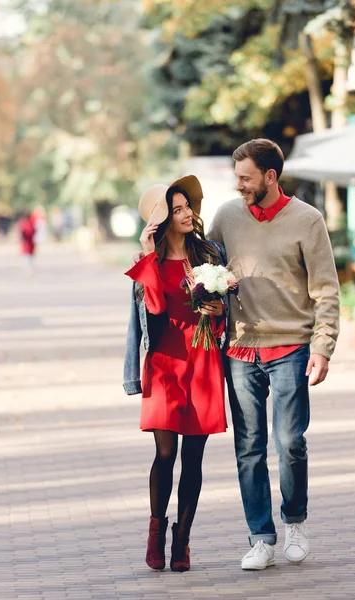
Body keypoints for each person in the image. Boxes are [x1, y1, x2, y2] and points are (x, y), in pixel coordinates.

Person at [207, 138, 340, 570]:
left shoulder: (307, 220)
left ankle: (295, 522)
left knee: (290, 443)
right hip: (240, 348)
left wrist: (323, 346)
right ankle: (260, 537)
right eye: (237, 178)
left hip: (290, 347)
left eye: (246, 178)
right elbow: (203, 266)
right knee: (249, 446)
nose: (239, 185)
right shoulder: (226, 216)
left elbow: (325, 288)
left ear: (270, 176)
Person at [123, 175, 227, 572]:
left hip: (202, 359)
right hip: (165, 362)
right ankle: (155, 532)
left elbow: (225, 313)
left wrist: (218, 314)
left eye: (187, 207)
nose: (185, 214)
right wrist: (148, 255)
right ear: (161, 219)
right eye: (176, 210)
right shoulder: (149, 262)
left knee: (194, 459)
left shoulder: (209, 253)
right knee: (165, 453)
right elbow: (151, 314)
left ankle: (182, 539)